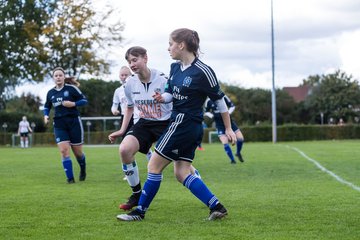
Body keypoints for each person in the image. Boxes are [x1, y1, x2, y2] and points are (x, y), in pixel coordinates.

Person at [117, 28, 236, 222]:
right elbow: (170, 93)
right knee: (181, 173)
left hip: (184, 123)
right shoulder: (174, 68)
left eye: (171, 44)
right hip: (181, 123)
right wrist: (161, 98)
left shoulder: (204, 71)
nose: (168, 48)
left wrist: (228, 128)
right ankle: (217, 206)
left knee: (154, 165)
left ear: (181, 45)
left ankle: (139, 212)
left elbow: (220, 101)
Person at [109, 46, 200, 211]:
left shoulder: (163, 79)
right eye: (129, 62)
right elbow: (129, 107)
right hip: (143, 123)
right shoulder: (129, 84)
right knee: (124, 150)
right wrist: (122, 130)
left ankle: (199, 184)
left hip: (166, 122)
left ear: (145, 58)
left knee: (180, 164)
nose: (132, 64)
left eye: (135, 60)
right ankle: (136, 194)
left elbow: (176, 100)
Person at [43, 67, 88, 184]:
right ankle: (70, 179)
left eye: (60, 75)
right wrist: (46, 115)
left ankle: (83, 169)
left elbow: (84, 101)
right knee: (64, 151)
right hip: (59, 124)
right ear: (53, 78)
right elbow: (47, 106)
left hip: (74, 122)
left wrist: (73, 103)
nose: (58, 77)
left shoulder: (72, 89)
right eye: (56, 76)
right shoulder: (50, 93)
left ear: (63, 77)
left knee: (78, 153)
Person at [205, 95, 245, 164]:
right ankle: (232, 160)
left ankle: (238, 153)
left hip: (229, 122)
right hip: (219, 125)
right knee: (225, 142)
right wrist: (212, 116)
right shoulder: (208, 101)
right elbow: (206, 111)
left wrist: (226, 114)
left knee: (240, 138)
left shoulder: (223, 97)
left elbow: (232, 106)